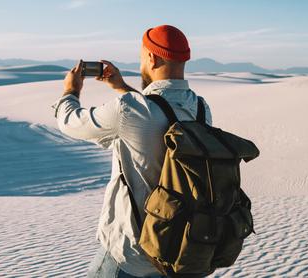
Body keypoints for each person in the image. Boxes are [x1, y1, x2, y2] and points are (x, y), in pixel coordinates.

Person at [51, 25, 213, 277]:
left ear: (151, 58)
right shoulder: (202, 109)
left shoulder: (129, 109)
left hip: (130, 253)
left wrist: (71, 90)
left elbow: (71, 122)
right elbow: (157, 117)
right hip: (177, 248)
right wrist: (121, 87)